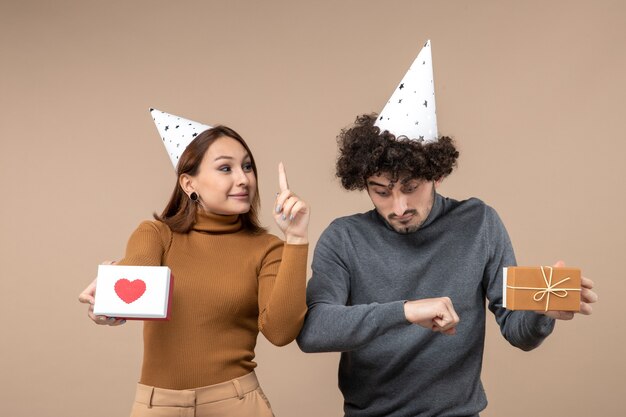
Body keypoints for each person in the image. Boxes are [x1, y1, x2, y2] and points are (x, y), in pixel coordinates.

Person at [296, 113, 597, 417]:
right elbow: (313, 331)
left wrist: (540, 309)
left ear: (436, 175)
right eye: (382, 192)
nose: (398, 207)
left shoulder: (479, 223)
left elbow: (518, 332)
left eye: (410, 187)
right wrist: (406, 311)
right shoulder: (344, 237)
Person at [79, 121, 310, 417]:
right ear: (189, 184)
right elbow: (140, 279)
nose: (243, 179)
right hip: (157, 407)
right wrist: (109, 295)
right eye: (226, 168)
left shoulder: (268, 248)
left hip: (237, 404)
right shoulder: (156, 234)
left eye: (248, 167)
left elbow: (281, 332)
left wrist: (296, 238)